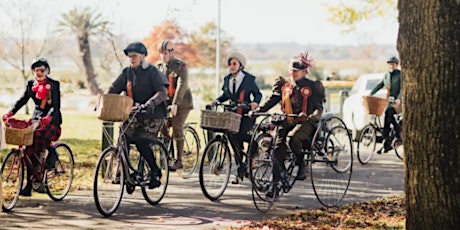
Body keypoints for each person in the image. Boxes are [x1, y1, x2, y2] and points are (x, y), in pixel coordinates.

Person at [252, 51, 325, 188]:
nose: (293, 73)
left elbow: (318, 107)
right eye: (292, 70)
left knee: (292, 138)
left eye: (297, 71)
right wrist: (258, 111)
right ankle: (275, 185)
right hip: (287, 121)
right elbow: (272, 101)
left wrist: (314, 115)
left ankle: (301, 162)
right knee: (277, 150)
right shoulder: (285, 86)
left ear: (304, 71)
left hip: (305, 122)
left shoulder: (312, 86)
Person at [106, 42, 169, 189]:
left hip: (154, 114)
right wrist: (103, 100)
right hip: (134, 113)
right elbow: (114, 88)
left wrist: (150, 103)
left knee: (142, 140)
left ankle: (155, 172)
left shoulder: (152, 72)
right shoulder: (127, 72)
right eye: (129, 56)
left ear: (142, 56)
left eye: (134, 56)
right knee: (123, 137)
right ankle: (126, 174)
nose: (131, 59)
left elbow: (162, 92)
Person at [2, 57, 62, 196]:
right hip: (36, 118)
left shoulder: (54, 84)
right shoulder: (31, 84)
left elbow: (56, 105)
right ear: (33, 71)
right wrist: (10, 113)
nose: (39, 72)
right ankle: (29, 183)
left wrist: (49, 117)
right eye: (36, 70)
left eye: (42, 70)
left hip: (51, 120)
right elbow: (22, 100)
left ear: (47, 70)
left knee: (36, 140)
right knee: (28, 147)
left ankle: (52, 153)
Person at [211, 50, 262, 183]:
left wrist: (255, 103)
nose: (232, 66)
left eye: (234, 63)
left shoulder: (249, 79)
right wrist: (217, 100)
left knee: (242, 135)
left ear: (240, 65)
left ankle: (254, 148)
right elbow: (226, 96)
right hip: (232, 113)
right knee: (233, 138)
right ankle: (240, 169)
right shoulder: (227, 79)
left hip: (246, 113)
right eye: (230, 64)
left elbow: (258, 94)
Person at [157, 40, 194, 171]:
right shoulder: (159, 67)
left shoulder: (180, 66)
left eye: (165, 53)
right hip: (167, 101)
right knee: (158, 122)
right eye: (161, 53)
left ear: (172, 52)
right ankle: (167, 141)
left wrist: (176, 104)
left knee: (177, 126)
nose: (163, 56)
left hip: (182, 102)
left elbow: (181, 85)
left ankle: (179, 160)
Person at [370, 56, 402, 153]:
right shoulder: (386, 75)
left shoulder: (400, 75)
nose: (391, 66)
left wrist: (399, 99)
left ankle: (398, 136)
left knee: (389, 114)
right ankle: (386, 142)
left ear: (397, 65)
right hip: (389, 101)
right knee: (386, 120)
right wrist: (371, 94)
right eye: (390, 64)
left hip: (398, 102)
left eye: (393, 64)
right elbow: (379, 85)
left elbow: (402, 88)